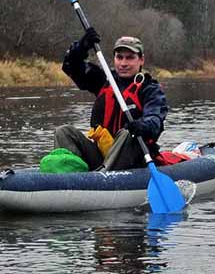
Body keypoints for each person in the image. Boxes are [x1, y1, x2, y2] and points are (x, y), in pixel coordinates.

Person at [53, 28, 168, 171]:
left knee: (127, 133)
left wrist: (142, 126)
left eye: (130, 57)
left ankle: (101, 178)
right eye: (119, 57)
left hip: (134, 159)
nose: (123, 63)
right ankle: (71, 175)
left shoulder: (150, 89)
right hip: (103, 155)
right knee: (63, 132)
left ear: (141, 60)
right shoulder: (104, 80)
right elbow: (71, 67)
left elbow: (155, 120)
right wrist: (81, 46)